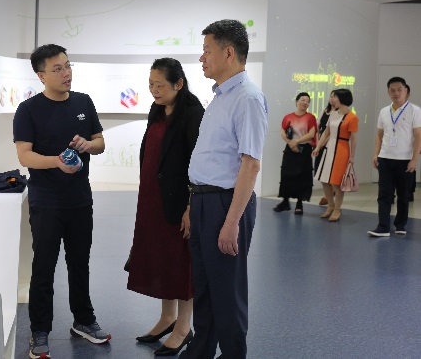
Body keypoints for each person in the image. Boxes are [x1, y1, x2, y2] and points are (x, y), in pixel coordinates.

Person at [13, 44, 110, 359]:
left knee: (80, 263)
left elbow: (100, 142)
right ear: (41, 75)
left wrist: (87, 145)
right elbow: (25, 155)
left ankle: (83, 320)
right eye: (57, 69)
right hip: (46, 201)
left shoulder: (84, 102)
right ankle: (40, 330)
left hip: (80, 199)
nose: (66, 73)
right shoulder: (28, 110)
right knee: (43, 267)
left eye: (68, 66)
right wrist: (56, 162)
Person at [179, 20, 268, 359]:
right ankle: (201, 351)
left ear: (229, 53)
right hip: (204, 201)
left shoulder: (247, 98)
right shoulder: (220, 97)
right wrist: (193, 204)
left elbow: (250, 164)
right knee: (205, 288)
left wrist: (231, 223)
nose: (202, 58)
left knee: (227, 293)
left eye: (207, 51)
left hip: (227, 205)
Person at [127, 58, 204, 357]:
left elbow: (198, 163)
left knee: (181, 262)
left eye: (159, 85)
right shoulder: (157, 109)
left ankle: (184, 327)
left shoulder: (193, 113)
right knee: (161, 259)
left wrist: (191, 205)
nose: (154, 90)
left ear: (179, 84)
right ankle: (167, 317)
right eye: (151, 85)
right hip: (152, 198)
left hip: (178, 201)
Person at [368, 77, 421, 237]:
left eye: (399, 89)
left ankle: (400, 225)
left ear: (406, 91)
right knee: (384, 194)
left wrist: (414, 159)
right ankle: (383, 227)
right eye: (392, 90)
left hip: (405, 160)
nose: (396, 93)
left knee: (404, 195)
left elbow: (418, 137)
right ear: (388, 92)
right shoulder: (384, 111)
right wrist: (376, 154)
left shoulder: (415, 110)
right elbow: (379, 135)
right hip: (385, 158)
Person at [312, 88, 358, 222]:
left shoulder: (352, 117)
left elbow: (354, 139)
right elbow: (326, 132)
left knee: (336, 183)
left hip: (342, 150)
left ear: (342, 99)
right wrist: (318, 147)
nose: (332, 99)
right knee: (324, 179)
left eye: (335, 97)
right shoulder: (333, 114)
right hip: (328, 149)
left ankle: (337, 209)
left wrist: (352, 156)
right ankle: (330, 206)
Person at [273, 92, 317, 215]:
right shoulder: (288, 117)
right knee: (286, 175)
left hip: (304, 150)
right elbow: (282, 132)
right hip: (290, 150)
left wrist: (296, 141)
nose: (305, 102)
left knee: (302, 177)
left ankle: (299, 203)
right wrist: (290, 143)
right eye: (302, 100)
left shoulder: (310, 117)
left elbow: (311, 134)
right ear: (296, 102)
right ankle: (285, 201)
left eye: (307, 101)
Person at [315, 91, 338, 206]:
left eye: (335, 97)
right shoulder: (325, 110)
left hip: (332, 144)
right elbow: (317, 126)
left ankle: (328, 195)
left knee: (329, 170)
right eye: (331, 96)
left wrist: (324, 141)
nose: (332, 99)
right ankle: (329, 193)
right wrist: (318, 142)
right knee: (319, 169)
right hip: (321, 143)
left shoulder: (339, 112)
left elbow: (334, 130)